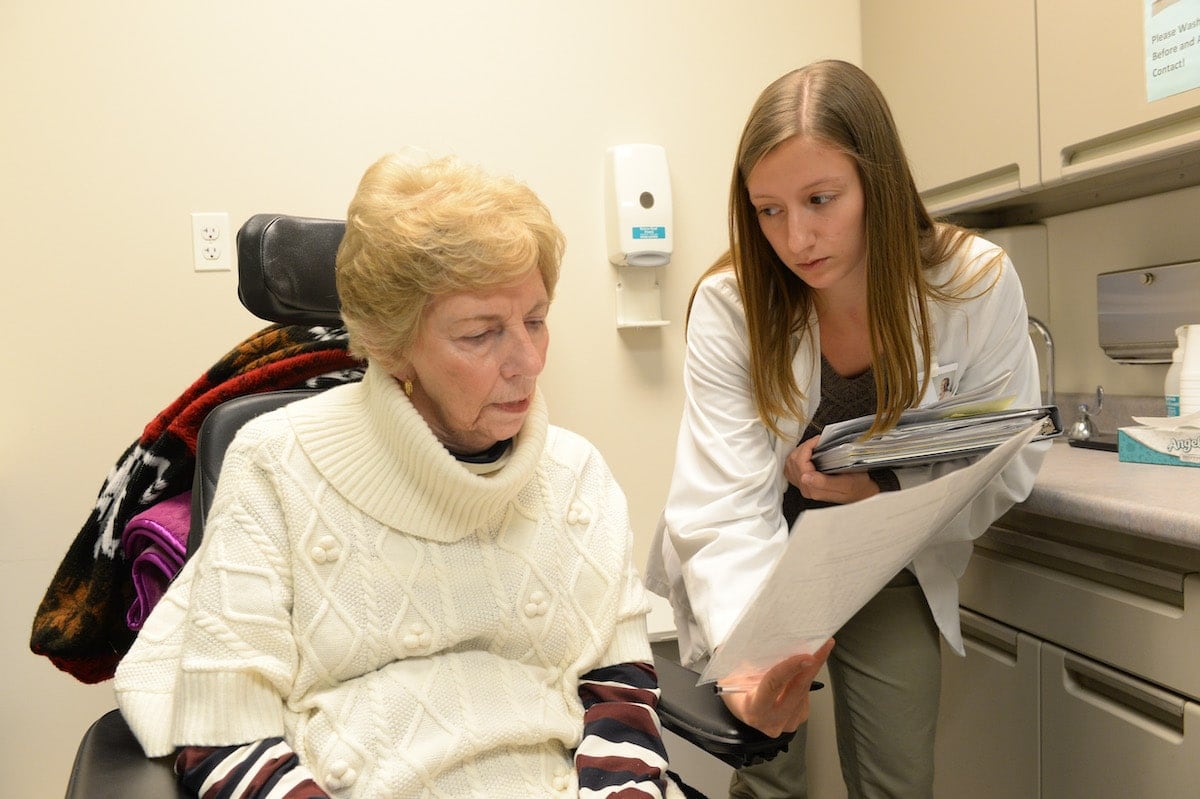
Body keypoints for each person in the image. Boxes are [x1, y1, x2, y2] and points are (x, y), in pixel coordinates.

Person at [115, 152, 697, 798]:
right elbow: (228, 734)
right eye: (482, 334)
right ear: (393, 347)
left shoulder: (576, 476)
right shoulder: (276, 465)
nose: (528, 360)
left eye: (536, 320)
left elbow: (621, 696)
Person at [646, 60, 1049, 799]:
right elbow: (724, 502)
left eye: (820, 199)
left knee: (899, 778)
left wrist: (883, 488)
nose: (796, 236)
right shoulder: (731, 304)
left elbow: (1007, 457)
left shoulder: (975, 283)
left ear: (878, 185)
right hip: (758, 553)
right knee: (769, 774)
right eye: (768, 210)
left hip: (884, 548)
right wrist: (757, 663)